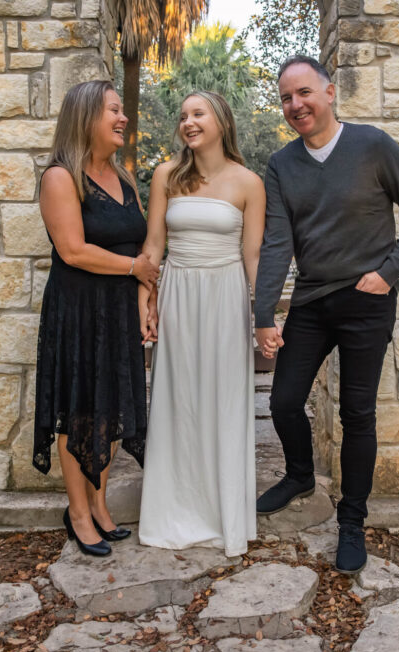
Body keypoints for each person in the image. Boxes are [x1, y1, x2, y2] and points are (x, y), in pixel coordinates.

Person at [254, 56, 399, 574]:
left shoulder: (373, 146)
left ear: (330, 93)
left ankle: (351, 520)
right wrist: (263, 313)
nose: (296, 105)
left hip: (366, 300)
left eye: (304, 93)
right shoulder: (281, 165)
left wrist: (389, 272)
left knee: (357, 414)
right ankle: (299, 476)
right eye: (287, 98)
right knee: (285, 401)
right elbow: (277, 242)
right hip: (311, 300)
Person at [32, 79, 158, 556]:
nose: (122, 118)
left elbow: (143, 247)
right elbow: (73, 250)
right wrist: (135, 269)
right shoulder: (60, 178)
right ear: (86, 117)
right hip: (79, 310)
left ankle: (102, 506)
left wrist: (148, 300)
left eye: (121, 110)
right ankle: (79, 513)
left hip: (119, 311)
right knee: (79, 409)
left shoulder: (124, 177)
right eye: (113, 110)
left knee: (109, 408)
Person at [138, 91, 265, 557]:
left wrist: (262, 317)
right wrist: (144, 302)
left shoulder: (249, 182)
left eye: (198, 114)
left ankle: (222, 515)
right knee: (178, 399)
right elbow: (154, 246)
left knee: (223, 399)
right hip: (178, 294)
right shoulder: (166, 176)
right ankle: (174, 510)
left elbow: (252, 256)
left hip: (225, 296)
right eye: (183, 116)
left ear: (221, 121)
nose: (188, 122)